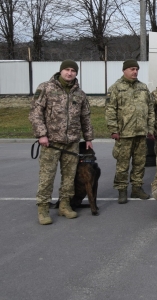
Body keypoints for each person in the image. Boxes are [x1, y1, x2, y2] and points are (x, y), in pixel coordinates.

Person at [29, 60, 94, 225]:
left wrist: (88, 138)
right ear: (61, 71)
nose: (70, 73)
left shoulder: (80, 93)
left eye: (73, 70)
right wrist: (41, 134)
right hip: (50, 143)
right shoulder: (46, 88)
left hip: (71, 142)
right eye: (67, 69)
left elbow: (85, 117)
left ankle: (65, 205)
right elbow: (36, 113)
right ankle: (43, 208)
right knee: (47, 177)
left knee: (69, 177)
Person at [105, 59, 155, 203]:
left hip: (141, 133)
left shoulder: (143, 87)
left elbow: (150, 109)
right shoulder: (116, 88)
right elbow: (110, 110)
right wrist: (114, 129)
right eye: (132, 69)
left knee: (140, 163)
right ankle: (122, 190)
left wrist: (150, 128)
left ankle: (136, 188)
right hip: (124, 133)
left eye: (136, 69)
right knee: (122, 164)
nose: (135, 71)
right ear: (124, 70)